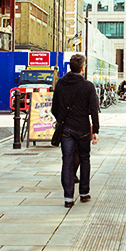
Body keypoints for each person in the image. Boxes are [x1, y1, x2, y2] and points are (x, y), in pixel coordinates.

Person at [51, 53, 99, 208]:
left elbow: (54, 108)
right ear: (83, 68)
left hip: (66, 129)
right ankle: (84, 193)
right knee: (85, 159)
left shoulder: (60, 84)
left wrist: (62, 118)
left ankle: (68, 197)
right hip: (84, 129)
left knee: (68, 160)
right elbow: (93, 110)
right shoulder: (88, 86)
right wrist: (95, 130)